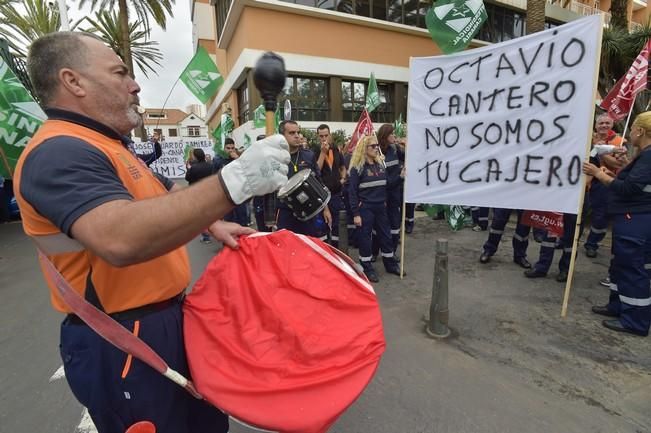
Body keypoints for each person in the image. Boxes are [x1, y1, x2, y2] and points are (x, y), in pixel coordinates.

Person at [13, 32, 290, 433]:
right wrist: (236, 180)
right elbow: (119, 238)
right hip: (121, 337)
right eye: (119, 72)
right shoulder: (58, 151)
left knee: (205, 423)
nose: (135, 83)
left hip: (166, 321)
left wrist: (213, 220)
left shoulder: (110, 146)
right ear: (73, 82)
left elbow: (163, 188)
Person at [583, 111, 651, 337]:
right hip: (630, 218)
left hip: (637, 219)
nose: (629, 131)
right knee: (620, 264)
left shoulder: (649, 155)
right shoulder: (644, 155)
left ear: (640, 131)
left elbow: (629, 189)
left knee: (632, 267)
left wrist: (598, 174)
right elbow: (634, 180)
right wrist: (623, 165)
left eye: (631, 128)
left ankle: (635, 321)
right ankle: (617, 306)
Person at [348, 134, 401, 283]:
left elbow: (388, 184)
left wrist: (400, 177)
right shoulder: (357, 168)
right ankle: (367, 268)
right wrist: (356, 214)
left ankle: (390, 264)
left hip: (380, 208)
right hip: (365, 209)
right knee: (365, 239)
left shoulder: (380, 165)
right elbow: (351, 192)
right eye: (373, 146)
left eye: (377, 145)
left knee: (386, 236)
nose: (376, 148)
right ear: (364, 149)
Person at [276, 120, 331, 236]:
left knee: (309, 246)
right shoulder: (276, 158)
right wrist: (270, 220)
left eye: (298, 132)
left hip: (309, 212)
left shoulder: (308, 155)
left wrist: (325, 209)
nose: (297, 136)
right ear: (282, 136)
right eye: (291, 133)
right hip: (286, 212)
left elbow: (318, 182)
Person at [584, 114, 625, 258]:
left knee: (601, 216)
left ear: (612, 125)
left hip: (606, 182)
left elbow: (617, 164)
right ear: (595, 125)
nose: (604, 126)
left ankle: (592, 244)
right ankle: (569, 239)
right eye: (601, 123)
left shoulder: (619, 141)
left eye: (607, 123)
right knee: (580, 213)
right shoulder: (588, 137)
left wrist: (601, 150)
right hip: (586, 181)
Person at [523, 213, 577, 282]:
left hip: (574, 208)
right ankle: (541, 268)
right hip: (557, 207)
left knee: (570, 240)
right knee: (549, 237)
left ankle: (566, 269)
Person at [316, 124, 346, 247]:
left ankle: (335, 248)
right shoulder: (314, 150)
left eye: (326, 135)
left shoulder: (336, 150)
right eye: (321, 136)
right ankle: (324, 249)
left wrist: (343, 179)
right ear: (318, 137)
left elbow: (343, 167)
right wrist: (323, 153)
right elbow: (316, 169)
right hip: (322, 194)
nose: (324, 138)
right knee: (322, 223)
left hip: (336, 193)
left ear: (330, 135)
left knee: (335, 223)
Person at [213, 138, 249, 227]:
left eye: (232, 148)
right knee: (228, 220)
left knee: (241, 220)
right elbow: (214, 177)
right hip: (226, 195)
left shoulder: (238, 158)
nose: (230, 150)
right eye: (228, 148)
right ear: (224, 148)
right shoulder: (218, 159)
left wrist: (237, 159)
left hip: (239, 193)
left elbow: (247, 171)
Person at [185, 148, 214, 244]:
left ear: (196, 156)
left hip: (196, 193)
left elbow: (187, 178)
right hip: (209, 192)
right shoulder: (210, 165)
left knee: (201, 216)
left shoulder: (194, 167)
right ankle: (212, 231)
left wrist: (188, 169)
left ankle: (206, 236)